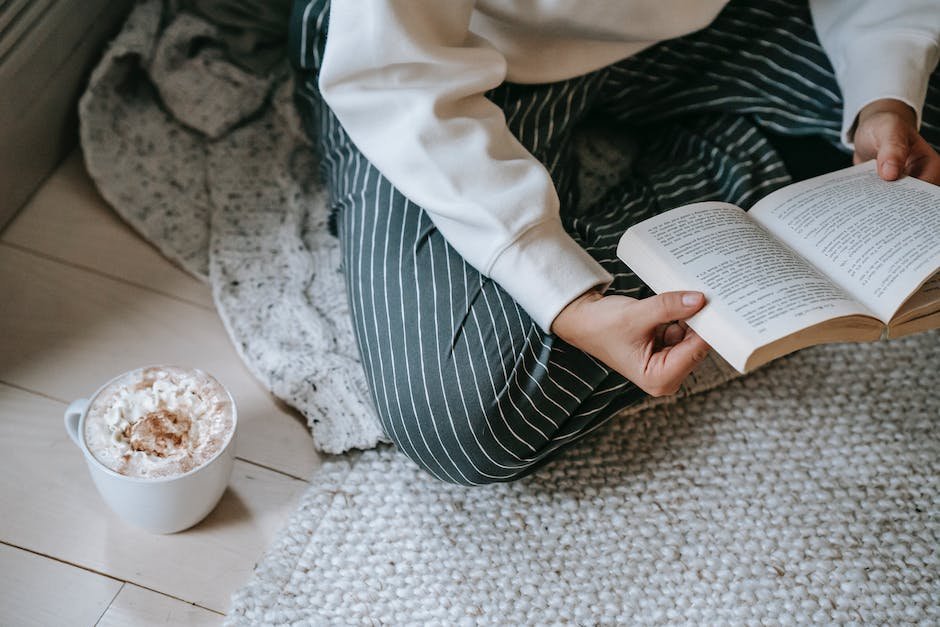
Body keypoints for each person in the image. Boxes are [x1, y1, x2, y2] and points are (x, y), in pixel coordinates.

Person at [289, 0, 940, 485]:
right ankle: (746, 207)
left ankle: (734, 205)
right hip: (442, 52)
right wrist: (561, 294)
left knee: (912, 132)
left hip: (691, 23)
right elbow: (392, 72)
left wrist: (885, 95)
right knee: (473, 415)